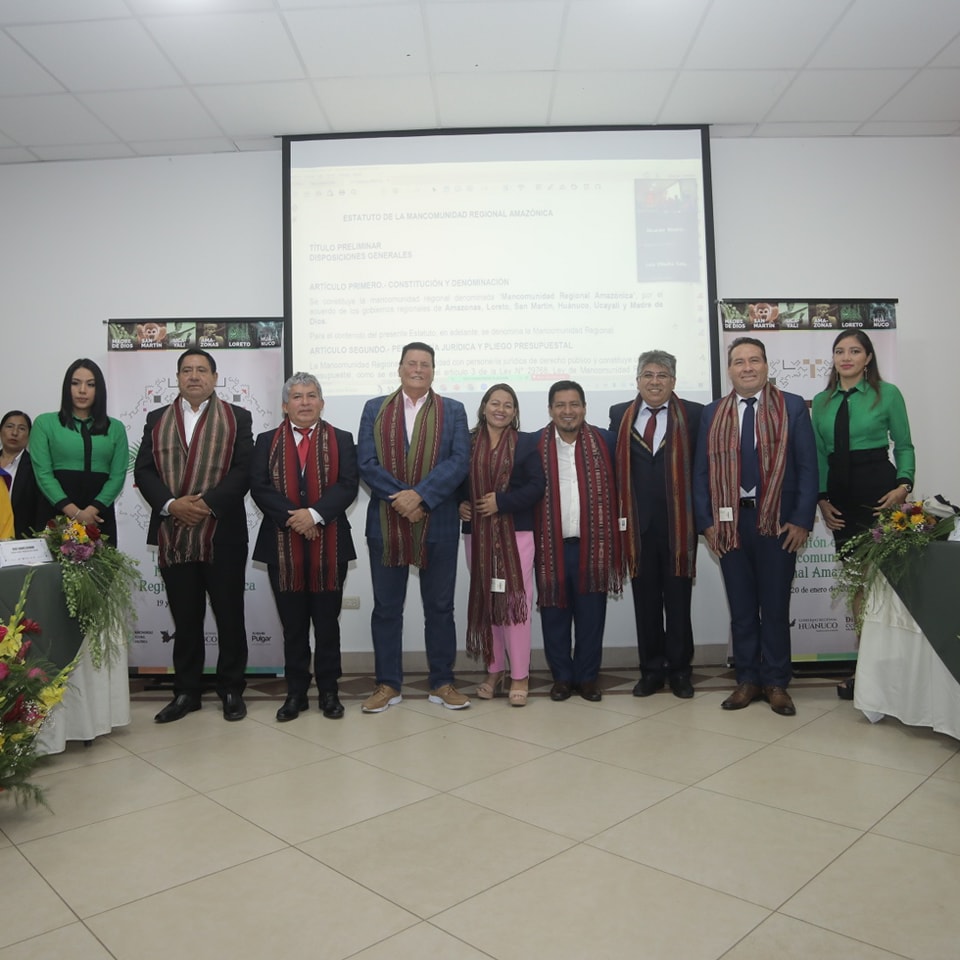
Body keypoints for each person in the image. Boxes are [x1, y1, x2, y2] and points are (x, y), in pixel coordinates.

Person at [693, 337, 818, 717]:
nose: (746, 367)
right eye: (738, 361)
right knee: (743, 607)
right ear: (729, 370)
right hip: (731, 525)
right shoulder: (713, 413)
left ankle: (777, 682)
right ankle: (747, 679)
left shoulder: (793, 407)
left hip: (778, 522)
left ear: (766, 366)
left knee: (776, 607)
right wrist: (707, 523)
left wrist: (800, 519)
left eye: (754, 360)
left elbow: (809, 467)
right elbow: (700, 472)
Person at [134, 348, 253, 723]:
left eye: (202, 370)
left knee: (230, 615)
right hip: (174, 532)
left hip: (223, 533)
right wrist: (171, 505)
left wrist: (205, 504)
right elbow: (144, 471)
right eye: (187, 370)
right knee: (185, 619)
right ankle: (187, 692)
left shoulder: (237, 417)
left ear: (215, 378)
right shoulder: (157, 419)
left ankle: (232, 688)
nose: (194, 376)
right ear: (178, 377)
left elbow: (244, 469)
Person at [358, 341, 471, 713]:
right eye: (411, 363)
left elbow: (458, 462)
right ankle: (388, 684)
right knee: (386, 609)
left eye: (425, 364)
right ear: (400, 368)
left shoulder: (453, 411)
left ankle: (442, 682)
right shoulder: (374, 409)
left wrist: (421, 496)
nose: (418, 369)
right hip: (386, 522)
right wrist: (403, 499)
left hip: (436, 519)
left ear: (433, 370)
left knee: (439, 607)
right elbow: (366, 462)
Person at [811, 330, 914, 699]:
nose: (846, 357)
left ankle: (899, 670)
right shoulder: (821, 401)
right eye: (840, 351)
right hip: (840, 499)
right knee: (857, 587)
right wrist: (821, 499)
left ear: (868, 358)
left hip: (881, 494)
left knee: (886, 585)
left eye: (855, 351)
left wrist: (904, 486)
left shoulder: (888, 394)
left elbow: (903, 445)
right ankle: (866, 670)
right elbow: (821, 456)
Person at [250, 373, 358, 721]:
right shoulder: (266, 441)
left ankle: (329, 691)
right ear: (285, 405)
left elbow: (348, 485)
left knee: (328, 623)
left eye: (312, 395)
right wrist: (294, 518)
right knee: (293, 625)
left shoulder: (342, 439)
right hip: (282, 543)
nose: (305, 402)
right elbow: (259, 486)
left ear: (322, 402)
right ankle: (296, 692)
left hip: (331, 543)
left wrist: (314, 515)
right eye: (297, 396)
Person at [610, 350, 703, 699]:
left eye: (662, 375)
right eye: (647, 375)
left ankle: (680, 671)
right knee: (645, 604)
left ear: (673, 382)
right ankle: (650, 670)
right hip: (637, 530)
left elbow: (702, 469)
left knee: (678, 604)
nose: (654, 381)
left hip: (679, 528)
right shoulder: (620, 414)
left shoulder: (693, 414)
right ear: (637, 381)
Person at [536, 380, 622, 703]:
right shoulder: (534, 445)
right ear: (550, 410)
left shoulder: (606, 441)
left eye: (574, 405)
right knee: (554, 615)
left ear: (584, 408)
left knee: (591, 616)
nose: (567, 411)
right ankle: (561, 678)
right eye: (560, 405)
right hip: (551, 548)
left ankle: (587, 678)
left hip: (594, 547)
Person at [459, 384, 545, 706]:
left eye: (508, 405)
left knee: (514, 604)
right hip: (476, 535)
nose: (501, 409)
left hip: (516, 535)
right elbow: (455, 480)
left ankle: (520, 675)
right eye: (495, 403)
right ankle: (494, 670)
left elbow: (538, 486)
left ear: (515, 412)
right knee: (487, 601)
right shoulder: (466, 443)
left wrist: (502, 503)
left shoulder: (526, 443)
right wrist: (460, 504)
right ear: (483, 407)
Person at [31, 360, 129, 545]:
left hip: (98, 515)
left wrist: (91, 512)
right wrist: (75, 513)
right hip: (56, 511)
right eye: (75, 383)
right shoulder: (44, 423)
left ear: (99, 390)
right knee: (54, 573)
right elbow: (43, 473)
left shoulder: (115, 428)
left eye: (90, 384)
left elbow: (117, 476)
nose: (82, 390)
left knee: (99, 573)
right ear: (66, 387)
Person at [0, 410, 39, 538]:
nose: (14, 433)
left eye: (21, 428)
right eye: (9, 426)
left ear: (29, 435)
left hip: (19, 541)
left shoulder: (36, 468)